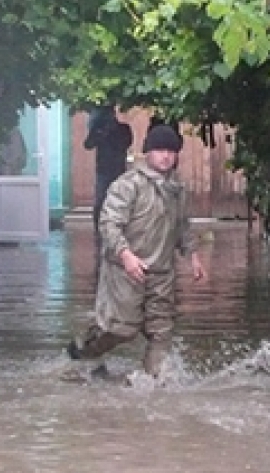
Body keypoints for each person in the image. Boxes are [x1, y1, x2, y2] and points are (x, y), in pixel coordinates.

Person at [66, 123, 206, 379]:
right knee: (121, 329)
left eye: (172, 151)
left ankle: (152, 384)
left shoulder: (177, 189)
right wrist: (126, 255)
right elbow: (108, 224)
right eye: (160, 150)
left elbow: (182, 224)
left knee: (161, 331)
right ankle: (81, 352)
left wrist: (193, 256)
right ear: (147, 153)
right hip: (124, 271)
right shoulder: (128, 185)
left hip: (162, 274)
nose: (166, 156)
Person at [84, 105, 133, 237]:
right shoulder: (99, 129)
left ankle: (121, 228)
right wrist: (99, 132)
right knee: (100, 201)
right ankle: (98, 231)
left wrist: (110, 132)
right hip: (103, 170)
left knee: (122, 200)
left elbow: (127, 143)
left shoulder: (123, 129)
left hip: (118, 170)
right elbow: (88, 144)